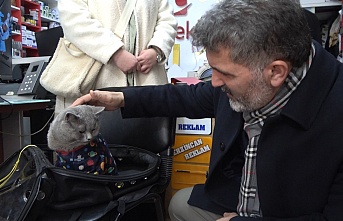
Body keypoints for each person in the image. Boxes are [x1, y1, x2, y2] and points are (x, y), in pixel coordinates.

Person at [72, 0, 343, 220]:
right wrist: (119, 98)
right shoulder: (251, 77)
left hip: (287, 213)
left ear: (276, 72)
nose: (213, 82)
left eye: (223, 73)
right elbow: (183, 96)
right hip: (240, 198)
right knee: (179, 204)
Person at [55, 0, 177, 115]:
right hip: (96, 79)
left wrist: (156, 50)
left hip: (148, 81)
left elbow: (167, 20)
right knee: (89, 131)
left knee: (149, 133)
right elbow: (74, 20)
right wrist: (114, 51)